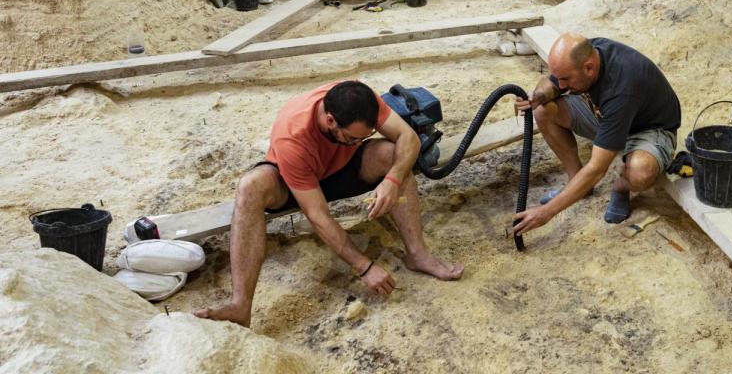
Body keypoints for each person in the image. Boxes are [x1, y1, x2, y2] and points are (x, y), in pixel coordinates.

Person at [195, 80, 463, 327]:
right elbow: (318, 216)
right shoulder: (293, 136)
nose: (358, 142)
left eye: (362, 137)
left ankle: (418, 254)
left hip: (342, 168)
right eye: (351, 138)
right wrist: (365, 267)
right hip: (295, 182)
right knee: (250, 187)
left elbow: (409, 138)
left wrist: (392, 180)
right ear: (330, 120)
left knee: (395, 156)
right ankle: (240, 304)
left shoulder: (361, 98)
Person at [512, 33, 680, 236]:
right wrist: (537, 96)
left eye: (566, 79)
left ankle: (621, 187)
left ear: (589, 68)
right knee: (543, 110)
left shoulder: (622, 87)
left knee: (641, 173)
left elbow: (597, 169)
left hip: (648, 128)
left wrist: (546, 213)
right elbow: (552, 82)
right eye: (560, 78)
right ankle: (575, 178)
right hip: (607, 115)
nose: (562, 86)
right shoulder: (590, 51)